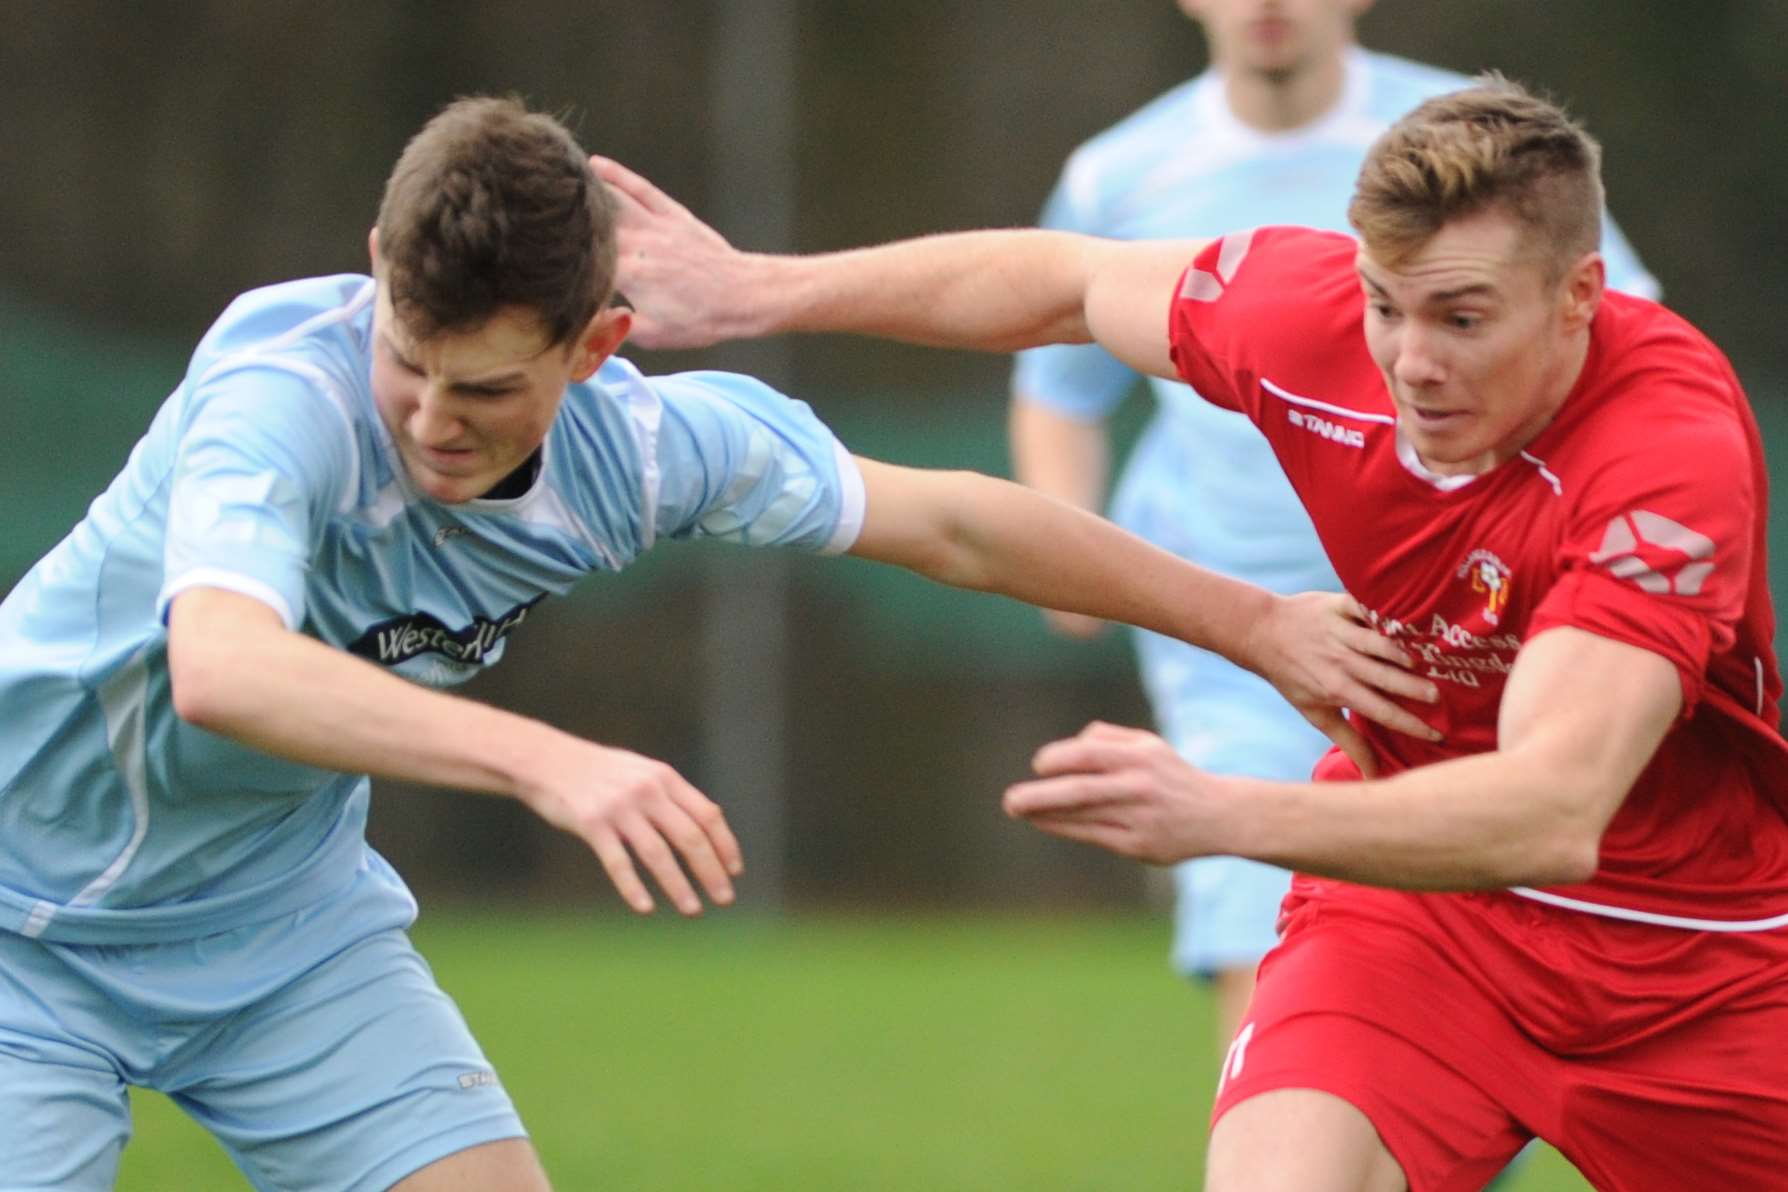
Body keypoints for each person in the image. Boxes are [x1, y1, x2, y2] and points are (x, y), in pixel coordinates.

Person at [0, 97, 1432, 1190]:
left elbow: (958, 529)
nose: (431, 413)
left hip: (281, 935)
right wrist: (550, 765)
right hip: (23, 928)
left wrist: (1254, 624)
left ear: (598, 343)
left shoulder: (642, 454)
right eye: (406, 357)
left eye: (487, 386)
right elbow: (226, 668)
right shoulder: (280, 394)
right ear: (378, 270)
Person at [598, 75, 1788, 1191]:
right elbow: (1066, 283)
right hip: (1420, 925)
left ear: (1581, 295)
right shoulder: (1302, 317)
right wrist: (760, 290)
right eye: (1387, 306)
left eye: (1462, 317)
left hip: (1705, 962)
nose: (1413, 364)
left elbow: (1550, 809)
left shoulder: (1663, 455)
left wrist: (1223, 814)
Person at [1012, 0, 1658, 1042]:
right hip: (1232, 627)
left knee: (1475, 933)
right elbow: (1058, 377)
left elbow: (1623, 335)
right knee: (1260, 931)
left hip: (1463, 621)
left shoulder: (1464, 149)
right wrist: (1061, 540)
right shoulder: (1117, 172)